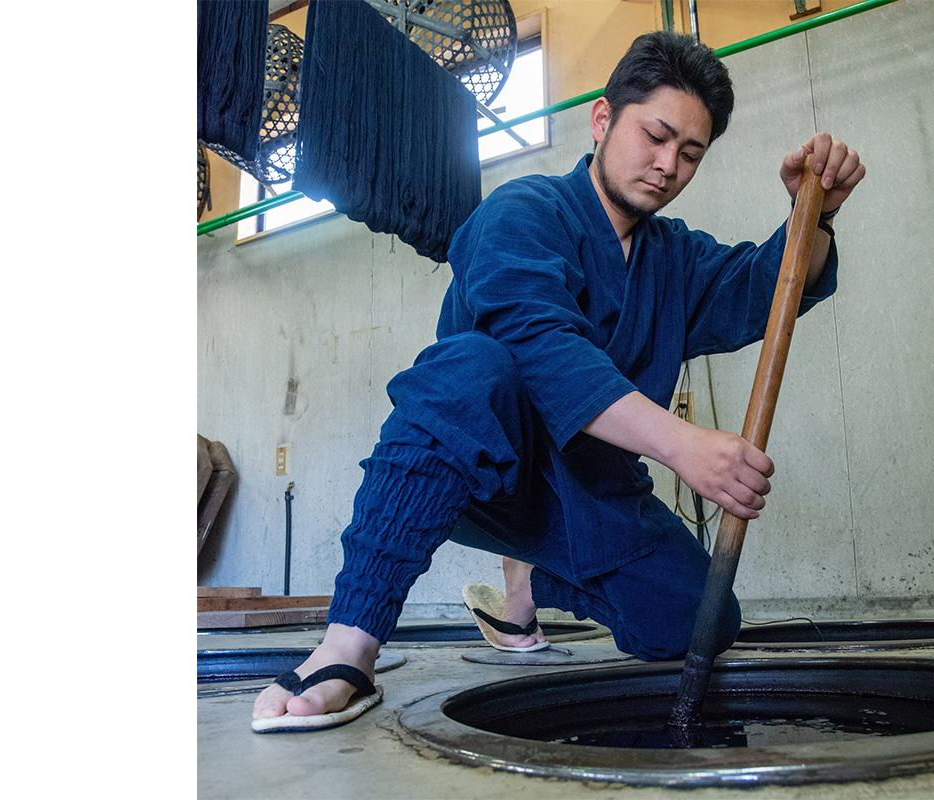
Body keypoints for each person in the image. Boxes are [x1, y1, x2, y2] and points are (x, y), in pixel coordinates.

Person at [252, 30, 865, 731]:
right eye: (656, 136)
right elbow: (543, 348)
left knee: (703, 621)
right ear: (603, 120)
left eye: (689, 153)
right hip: (480, 465)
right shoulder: (521, 214)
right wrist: (684, 446)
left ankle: (529, 579)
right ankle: (348, 647)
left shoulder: (674, 259)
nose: (668, 165)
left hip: (593, 492)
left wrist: (815, 212)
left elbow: (769, 286)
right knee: (474, 367)